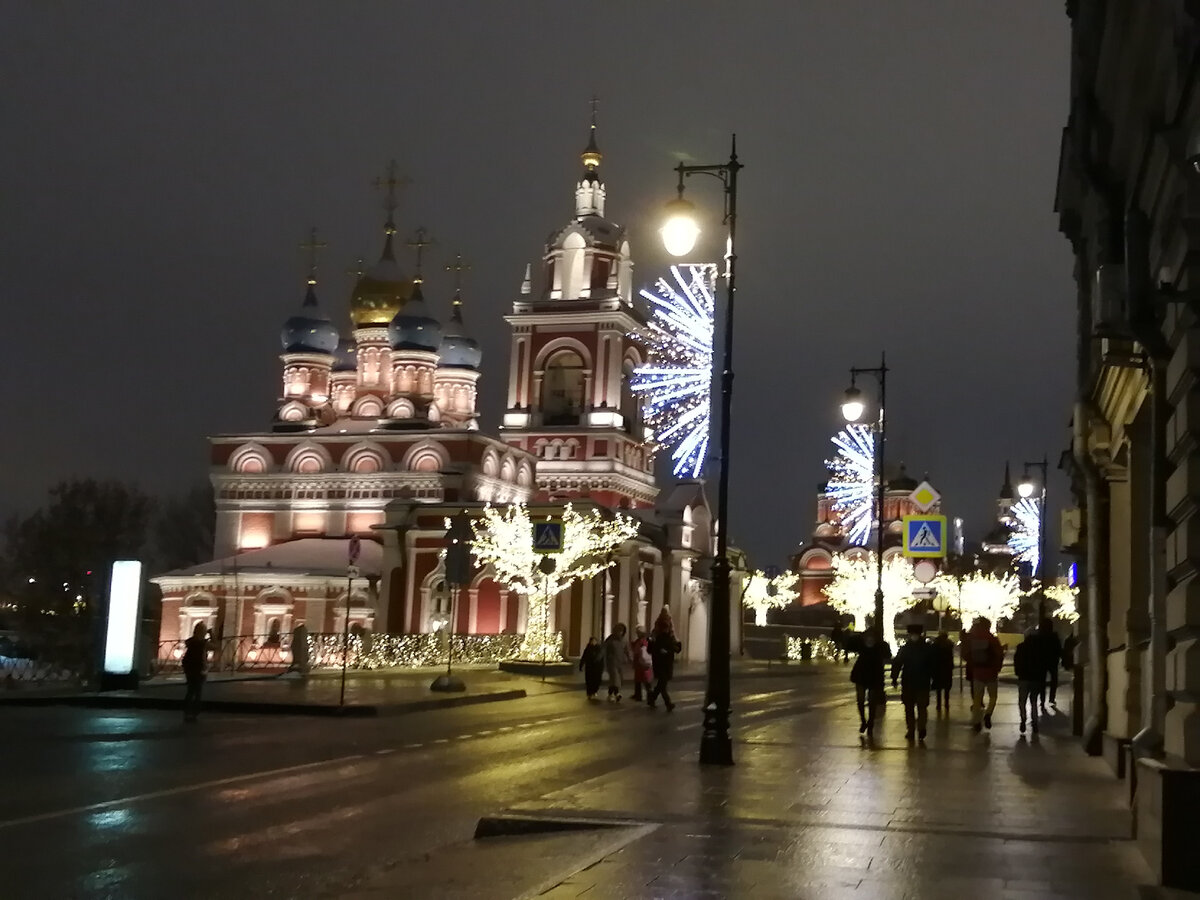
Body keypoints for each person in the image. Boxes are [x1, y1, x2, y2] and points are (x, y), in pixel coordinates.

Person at [961, 616, 1005, 733]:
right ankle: (988, 714)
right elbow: (999, 655)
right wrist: (997, 668)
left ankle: (976, 722)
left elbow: (965, 654)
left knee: (977, 699)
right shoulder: (992, 639)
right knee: (993, 697)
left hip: (977, 672)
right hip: (991, 673)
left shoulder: (972, 638)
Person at [891, 624, 934, 741]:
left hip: (909, 682)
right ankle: (920, 729)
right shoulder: (927, 648)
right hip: (922, 682)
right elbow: (933, 666)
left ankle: (912, 730)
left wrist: (894, 678)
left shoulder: (905, 649)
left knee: (909, 708)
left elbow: (897, 663)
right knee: (921, 708)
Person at [850, 627, 890, 737]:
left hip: (873, 675)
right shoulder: (861, 644)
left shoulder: (881, 646)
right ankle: (864, 720)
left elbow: (887, 656)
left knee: (871, 701)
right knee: (861, 700)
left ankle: (870, 721)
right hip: (863, 674)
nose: (870, 639)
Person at [647, 606, 680, 711]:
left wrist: (671, 648)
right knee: (662, 684)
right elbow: (651, 649)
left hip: (666, 663)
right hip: (660, 663)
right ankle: (668, 703)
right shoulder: (658, 637)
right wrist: (660, 650)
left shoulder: (669, 637)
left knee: (661, 684)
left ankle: (652, 697)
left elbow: (676, 648)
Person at [1012, 628, 1042, 735]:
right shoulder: (1039, 649)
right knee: (1034, 701)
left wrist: (1018, 672)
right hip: (1035, 678)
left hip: (1023, 677)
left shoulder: (1021, 647)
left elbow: (1017, 661)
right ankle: (1034, 721)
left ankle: (1023, 719)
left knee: (1022, 701)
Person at [181, 622, 208, 723]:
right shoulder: (202, 643)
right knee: (197, 692)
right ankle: (193, 714)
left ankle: (186, 712)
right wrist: (212, 634)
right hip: (198, 669)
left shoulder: (190, 642)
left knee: (190, 691)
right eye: (205, 631)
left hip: (190, 669)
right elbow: (216, 646)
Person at [1035, 618, 1063, 710]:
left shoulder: (1038, 636)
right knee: (1054, 680)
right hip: (1052, 661)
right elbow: (1058, 649)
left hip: (1041, 661)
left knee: (1041, 682)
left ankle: (1042, 700)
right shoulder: (1054, 636)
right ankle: (1051, 698)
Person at [931, 630, 956, 716]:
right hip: (947, 669)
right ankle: (946, 703)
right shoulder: (949, 645)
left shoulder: (935, 644)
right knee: (947, 688)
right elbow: (951, 657)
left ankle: (939, 704)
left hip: (938, 669)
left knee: (938, 688)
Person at [602, 624, 629, 701]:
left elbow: (626, 650)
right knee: (615, 678)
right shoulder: (610, 639)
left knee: (616, 679)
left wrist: (629, 658)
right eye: (619, 631)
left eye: (622, 631)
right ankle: (616, 693)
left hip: (620, 662)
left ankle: (611, 694)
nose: (620, 633)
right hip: (612, 662)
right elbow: (604, 648)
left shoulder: (624, 640)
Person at [630, 626, 653, 702]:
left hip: (641, 663)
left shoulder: (640, 641)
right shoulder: (646, 640)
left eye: (638, 632)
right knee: (642, 679)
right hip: (644, 663)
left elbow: (636, 651)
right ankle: (639, 694)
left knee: (642, 680)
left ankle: (644, 695)